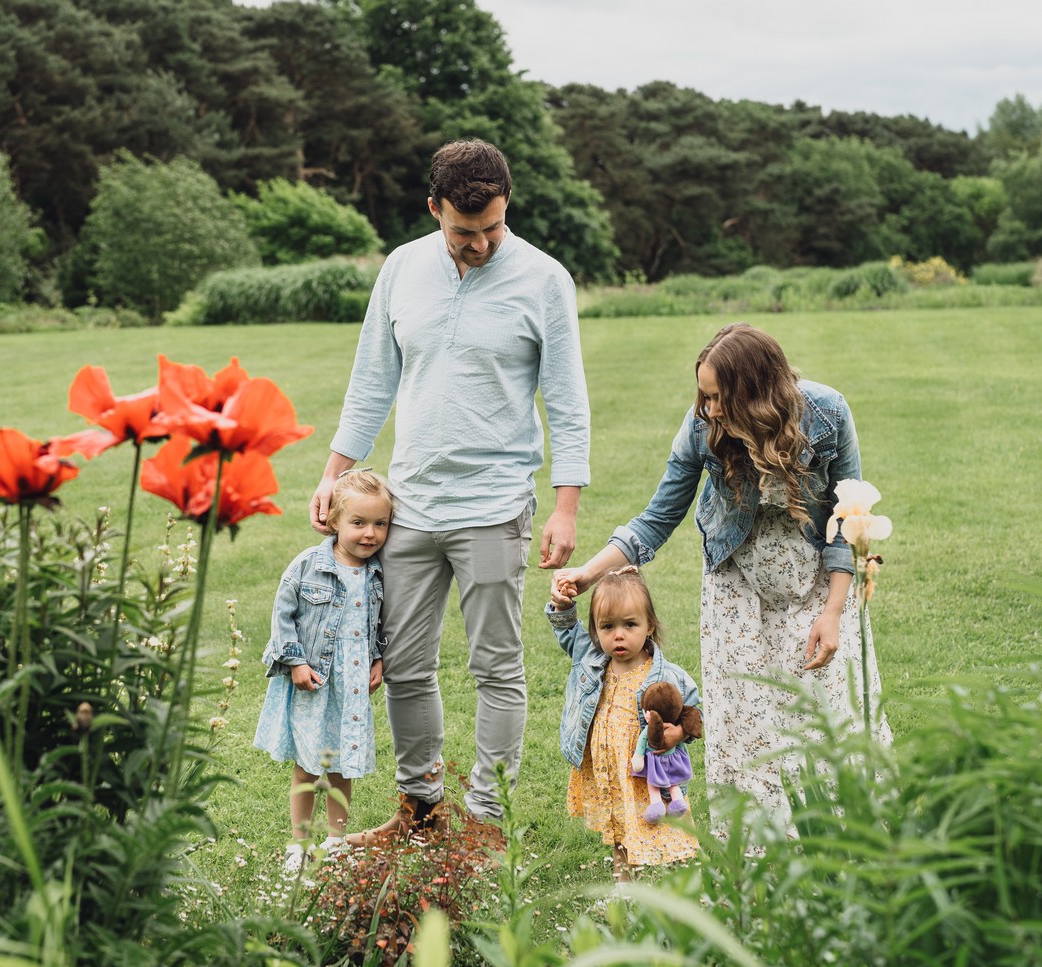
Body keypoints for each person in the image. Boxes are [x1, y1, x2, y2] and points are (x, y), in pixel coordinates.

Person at [309, 138, 591, 839]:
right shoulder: (403, 268)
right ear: (433, 208)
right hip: (409, 504)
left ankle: (487, 820)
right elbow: (372, 380)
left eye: (493, 227)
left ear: (506, 207)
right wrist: (333, 471)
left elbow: (567, 398)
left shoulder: (545, 279)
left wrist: (565, 505)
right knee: (404, 665)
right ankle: (424, 809)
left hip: (495, 505)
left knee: (495, 665)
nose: (482, 244)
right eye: (465, 232)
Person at [553, 322, 890, 836]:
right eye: (703, 396)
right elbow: (656, 518)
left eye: (718, 398)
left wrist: (832, 612)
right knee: (746, 723)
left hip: (815, 582)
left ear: (756, 393)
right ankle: (762, 851)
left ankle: (846, 838)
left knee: (829, 713)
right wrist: (588, 574)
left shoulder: (827, 415)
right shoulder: (702, 428)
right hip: (737, 584)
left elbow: (846, 521)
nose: (708, 410)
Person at [257, 470, 395, 873]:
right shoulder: (308, 566)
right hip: (314, 682)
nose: (370, 534)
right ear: (334, 520)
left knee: (341, 765)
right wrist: (295, 661)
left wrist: (378, 659)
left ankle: (336, 841)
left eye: (380, 524)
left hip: (351, 685)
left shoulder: (379, 572)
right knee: (307, 764)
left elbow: (382, 623)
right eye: (358, 523)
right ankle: (299, 844)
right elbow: (282, 615)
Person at [548, 566, 700, 880]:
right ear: (595, 631)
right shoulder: (591, 659)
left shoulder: (663, 674)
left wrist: (680, 732)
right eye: (607, 627)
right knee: (619, 826)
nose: (618, 634)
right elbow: (567, 632)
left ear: (649, 626)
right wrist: (563, 606)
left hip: (645, 774)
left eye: (630, 624)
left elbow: (693, 705)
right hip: (610, 768)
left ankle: (681, 881)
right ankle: (624, 885)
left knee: (661, 827)